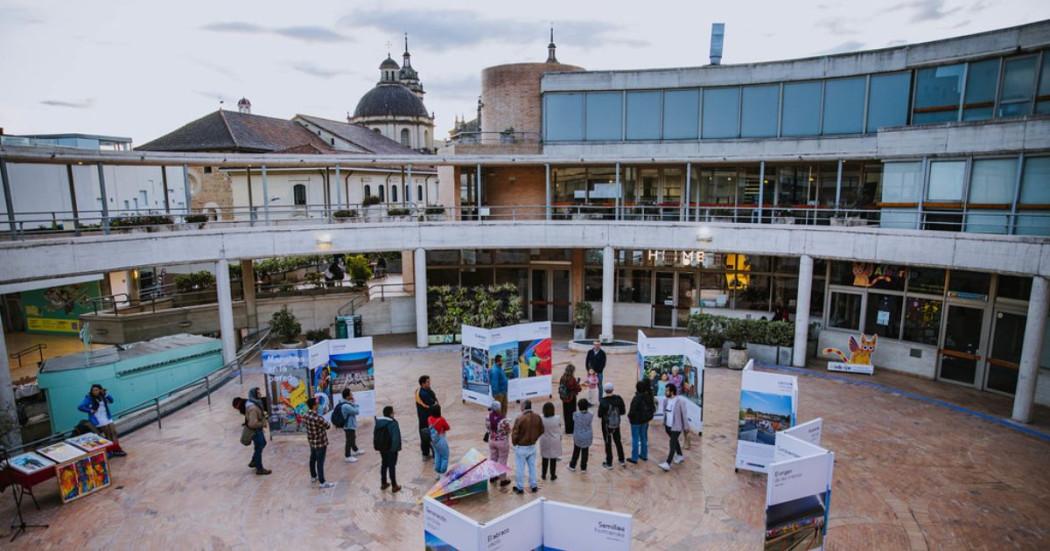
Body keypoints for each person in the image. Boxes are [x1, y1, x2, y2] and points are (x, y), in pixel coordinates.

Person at [77, 384, 127, 457]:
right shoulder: (89, 398)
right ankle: (111, 451)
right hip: (98, 420)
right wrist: (90, 410)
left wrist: (106, 394)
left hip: (107, 418)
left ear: (100, 390)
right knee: (107, 436)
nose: (95, 391)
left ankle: (117, 449)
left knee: (113, 433)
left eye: (97, 390)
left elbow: (112, 400)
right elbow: (80, 407)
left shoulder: (103, 396)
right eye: (93, 390)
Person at [510, 400, 544, 494]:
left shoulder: (520, 418)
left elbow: (515, 434)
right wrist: (535, 439)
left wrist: (515, 443)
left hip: (521, 447)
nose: (520, 407)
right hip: (532, 446)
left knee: (520, 468)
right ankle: (534, 485)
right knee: (532, 467)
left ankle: (520, 487)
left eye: (521, 406)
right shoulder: (537, 417)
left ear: (524, 407)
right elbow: (541, 430)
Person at [302, 397, 334, 489]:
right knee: (320, 462)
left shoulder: (306, 415)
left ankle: (313, 476)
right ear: (314, 405)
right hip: (320, 442)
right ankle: (322, 482)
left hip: (312, 441)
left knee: (312, 459)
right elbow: (328, 426)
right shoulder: (317, 417)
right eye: (317, 403)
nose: (318, 405)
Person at [659, 383, 688, 472]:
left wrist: (686, 427)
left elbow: (684, 414)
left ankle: (668, 463)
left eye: (667, 390)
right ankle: (680, 455)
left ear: (672, 391)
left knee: (672, 443)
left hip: (676, 426)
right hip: (668, 426)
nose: (665, 392)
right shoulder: (666, 400)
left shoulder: (680, 401)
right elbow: (665, 412)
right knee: (674, 441)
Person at [597, 383, 626, 469]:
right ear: (613, 389)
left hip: (606, 425)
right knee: (618, 441)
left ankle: (609, 463)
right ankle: (622, 460)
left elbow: (599, 415)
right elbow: (623, 412)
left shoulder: (603, 401)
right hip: (616, 424)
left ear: (605, 390)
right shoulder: (618, 399)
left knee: (608, 442)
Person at [374, 405, 402, 492]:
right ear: (390, 414)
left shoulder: (378, 422)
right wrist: (395, 449)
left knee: (384, 464)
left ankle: (383, 483)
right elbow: (396, 438)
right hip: (390, 448)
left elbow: (375, 434)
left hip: (382, 447)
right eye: (393, 412)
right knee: (391, 466)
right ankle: (394, 485)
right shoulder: (393, 423)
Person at [627, 379, 656, 464]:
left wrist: (629, 417)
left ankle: (634, 458)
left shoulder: (636, 398)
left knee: (635, 439)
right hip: (645, 420)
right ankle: (644, 455)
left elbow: (632, 411)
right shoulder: (649, 396)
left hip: (636, 421)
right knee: (643, 437)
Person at [486, 401, 512, 487]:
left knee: (493, 459)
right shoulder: (503, 419)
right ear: (499, 408)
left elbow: (487, 428)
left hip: (492, 441)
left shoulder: (488, 417)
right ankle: (503, 480)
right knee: (502, 460)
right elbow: (508, 430)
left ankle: (493, 477)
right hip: (502, 442)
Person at [415, 375, 438, 461]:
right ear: (423, 383)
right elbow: (433, 403)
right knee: (431, 437)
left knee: (424, 437)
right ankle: (435, 455)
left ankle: (425, 454)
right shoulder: (424, 394)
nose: (429, 383)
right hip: (427, 419)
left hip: (422, 418)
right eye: (428, 382)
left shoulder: (419, 391)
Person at [539, 402, 563, 481]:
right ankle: (553, 475)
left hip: (544, 440)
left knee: (544, 459)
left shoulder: (541, 418)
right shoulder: (557, 418)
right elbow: (559, 427)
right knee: (553, 459)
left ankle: (543, 475)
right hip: (554, 440)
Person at [567, 399, 593, 473]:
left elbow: (574, 418)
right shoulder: (590, 415)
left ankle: (572, 465)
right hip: (587, 436)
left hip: (578, 436)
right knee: (585, 452)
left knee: (576, 451)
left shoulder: (575, 414)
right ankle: (583, 468)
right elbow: (591, 412)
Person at [558, 364, 582, 435]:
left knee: (566, 413)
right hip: (571, 398)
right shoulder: (572, 379)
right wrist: (578, 384)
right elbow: (577, 388)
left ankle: (567, 429)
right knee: (572, 413)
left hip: (564, 398)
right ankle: (571, 429)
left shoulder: (562, 377)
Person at [428, 404, 451, 477]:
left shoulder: (429, 419)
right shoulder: (441, 419)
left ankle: (437, 472)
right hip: (441, 439)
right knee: (445, 456)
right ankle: (442, 472)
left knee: (437, 454)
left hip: (433, 440)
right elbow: (447, 427)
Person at [338, 388, 360, 463]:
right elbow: (356, 411)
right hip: (348, 425)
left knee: (353, 437)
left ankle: (355, 450)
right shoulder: (346, 406)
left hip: (350, 424)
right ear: (347, 397)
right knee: (349, 440)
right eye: (351, 394)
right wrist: (355, 403)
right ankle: (347, 456)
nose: (352, 395)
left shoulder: (346, 403)